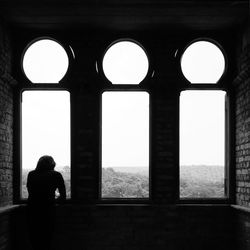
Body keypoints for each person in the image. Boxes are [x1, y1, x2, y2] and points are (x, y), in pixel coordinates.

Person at [26, 155, 66, 250]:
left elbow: (30, 191)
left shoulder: (31, 174)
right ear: (52, 164)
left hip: (32, 209)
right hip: (48, 209)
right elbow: (63, 196)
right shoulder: (56, 175)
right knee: (47, 237)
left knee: (34, 238)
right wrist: (56, 197)